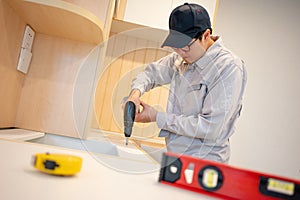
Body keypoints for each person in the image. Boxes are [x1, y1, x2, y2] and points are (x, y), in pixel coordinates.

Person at [122, 3, 247, 163]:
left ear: (206, 35)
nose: (180, 52)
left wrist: (157, 117)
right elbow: (151, 73)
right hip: (176, 159)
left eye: (186, 47)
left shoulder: (228, 67)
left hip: (205, 163)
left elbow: (209, 127)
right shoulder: (181, 58)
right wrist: (135, 94)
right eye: (176, 47)